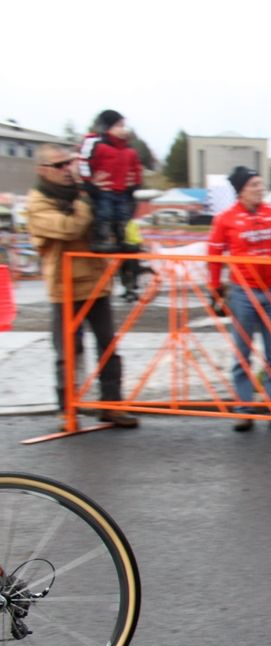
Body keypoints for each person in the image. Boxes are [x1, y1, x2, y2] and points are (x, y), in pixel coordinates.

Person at [28, 144, 138, 427]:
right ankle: (68, 410)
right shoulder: (38, 202)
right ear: (42, 170)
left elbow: (111, 222)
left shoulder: (83, 195)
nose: (67, 169)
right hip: (64, 288)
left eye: (69, 163)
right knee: (68, 352)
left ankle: (111, 405)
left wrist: (117, 190)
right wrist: (88, 200)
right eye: (59, 165)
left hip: (97, 285)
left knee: (108, 346)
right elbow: (69, 227)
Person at [208, 166, 271, 432]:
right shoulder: (225, 219)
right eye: (254, 185)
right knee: (242, 352)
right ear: (242, 190)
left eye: (260, 184)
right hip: (242, 292)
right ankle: (244, 408)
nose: (260, 189)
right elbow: (214, 256)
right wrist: (215, 290)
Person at [78, 110, 142, 253]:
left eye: (123, 126)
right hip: (105, 190)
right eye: (119, 125)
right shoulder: (97, 145)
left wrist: (135, 184)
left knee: (123, 216)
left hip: (122, 191)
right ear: (108, 127)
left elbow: (136, 168)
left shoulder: (128, 149)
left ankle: (123, 239)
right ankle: (103, 239)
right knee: (104, 214)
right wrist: (89, 183)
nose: (123, 129)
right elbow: (85, 163)